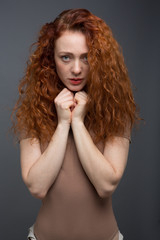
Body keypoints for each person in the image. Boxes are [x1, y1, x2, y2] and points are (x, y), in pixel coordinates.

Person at [11, 8, 140, 240]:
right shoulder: (32, 110)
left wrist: (78, 123)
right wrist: (62, 125)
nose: (77, 69)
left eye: (87, 57)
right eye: (66, 57)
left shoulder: (115, 109)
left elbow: (106, 185)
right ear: (52, 59)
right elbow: (36, 187)